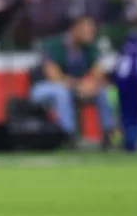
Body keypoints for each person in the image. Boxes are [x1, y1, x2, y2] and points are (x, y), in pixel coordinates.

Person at [29, 13, 117, 147]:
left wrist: (91, 84)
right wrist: (79, 85)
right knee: (61, 91)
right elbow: (54, 76)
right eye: (87, 28)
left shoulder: (90, 48)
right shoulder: (54, 44)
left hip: (75, 88)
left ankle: (108, 134)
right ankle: (67, 136)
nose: (91, 32)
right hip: (44, 87)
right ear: (75, 28)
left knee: (103, 91)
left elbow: (98, 73)